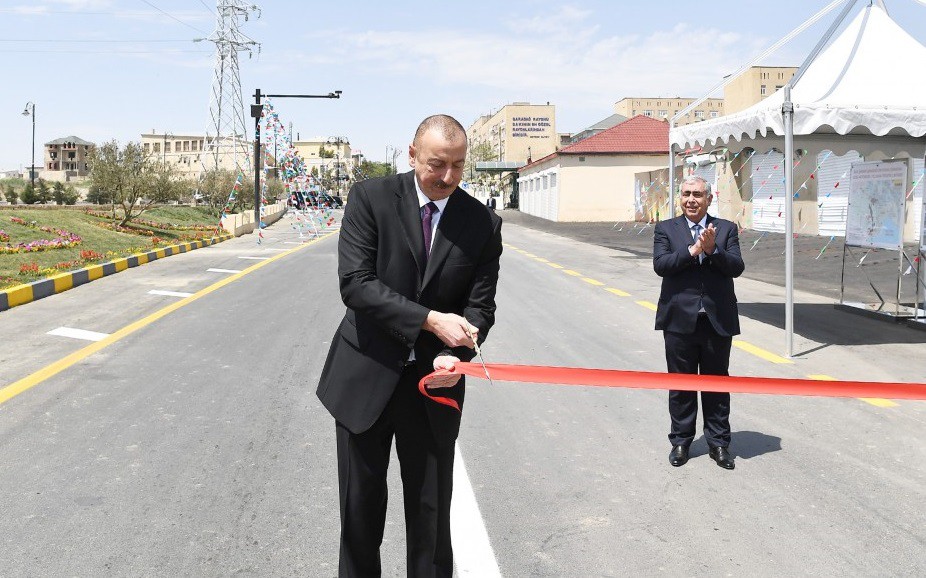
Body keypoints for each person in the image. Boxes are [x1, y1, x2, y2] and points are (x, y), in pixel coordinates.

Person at [316, 114, 503, 576]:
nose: (448, 177)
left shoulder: (482, 223)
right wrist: (431, 321)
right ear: (412, 154)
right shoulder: (370, 198)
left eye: (459, 166)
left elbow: (480, 309)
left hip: (433, 387)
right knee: (360, 517)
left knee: (431, 518)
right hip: (365, 377)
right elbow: (356, 285)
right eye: (438, 164)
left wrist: (456, 351)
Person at [653, 175, 744, 470]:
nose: (691, 199)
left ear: (708, 199)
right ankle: (681, 441)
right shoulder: (667, 229)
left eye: (697, 194)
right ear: (680, 198)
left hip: (716, 321)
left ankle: (719, 444)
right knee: (681, 385)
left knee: (716, 385)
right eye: (686, 194)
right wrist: (692, 251)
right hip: (679, 320)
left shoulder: (726, 229)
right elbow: (661, 266)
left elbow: (736, 267)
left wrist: (712, 251)